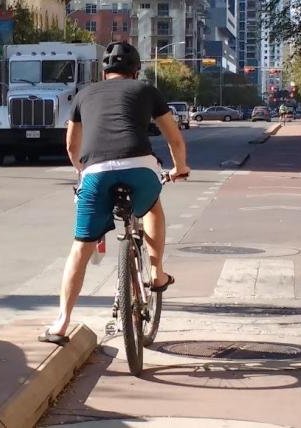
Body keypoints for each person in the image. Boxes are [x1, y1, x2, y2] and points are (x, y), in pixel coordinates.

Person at [39, 42, 191, 346]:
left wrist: (83, 173)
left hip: (95, 172)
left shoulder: (83, 95)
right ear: (136, 71)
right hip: (141, 167)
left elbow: (71, 146)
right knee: (152, 209)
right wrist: (180, 168)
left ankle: (60, 324)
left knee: (81, 248)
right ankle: (157, 274)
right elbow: (174, 137)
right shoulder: (146, 90)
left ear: (104, 72)